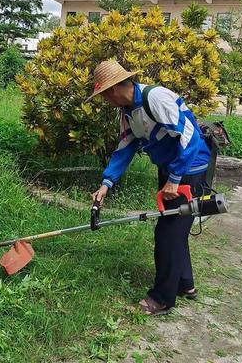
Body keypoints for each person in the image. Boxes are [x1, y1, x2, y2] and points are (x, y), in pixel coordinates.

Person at [88, 60, 211, 316]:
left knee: (167, 233)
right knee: (176, 229)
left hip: (189, 168)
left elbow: (190, 136)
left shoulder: (154, 98)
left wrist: (175, 178)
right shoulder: (127, 111)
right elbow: (126, 146)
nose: (104, 101)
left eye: (103, 96)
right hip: (169, 169)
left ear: (112, 90)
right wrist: (106, 183)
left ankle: (162, 299)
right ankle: (185, 285)